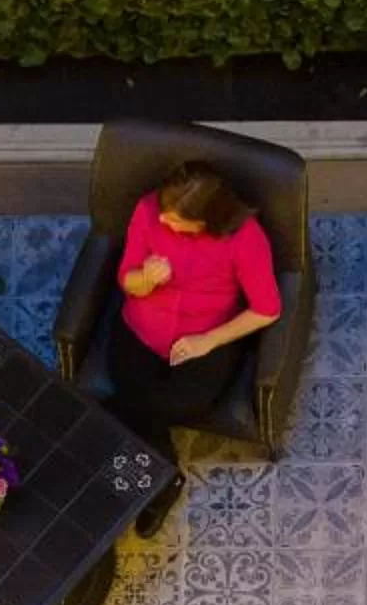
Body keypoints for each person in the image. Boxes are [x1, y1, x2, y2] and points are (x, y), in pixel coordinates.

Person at [107, 160, 283, 535]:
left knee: (174, 403)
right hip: (142, 327)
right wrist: (145, 280)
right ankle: (166, 474)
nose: (165, 223)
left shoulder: (245, 238)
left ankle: (116, 427)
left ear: (208, 221)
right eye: (165, 216)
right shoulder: (147, 210)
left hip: (206, 335)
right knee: (129, 388)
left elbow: (267, 309)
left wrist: (209, 340)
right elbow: (127, 280)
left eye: (176, 221)